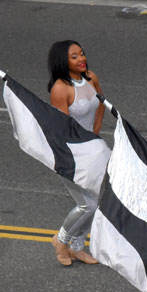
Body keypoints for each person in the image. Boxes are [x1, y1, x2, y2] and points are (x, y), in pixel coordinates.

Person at [47, 39, 107, 266]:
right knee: (87, 204)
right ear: (63, 61)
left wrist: (96, 133)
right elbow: (61, 129)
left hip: (93, 150)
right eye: (74, 56)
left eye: (82, 53)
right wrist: (81, 148)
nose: (81, 58)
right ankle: (61, 241)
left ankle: (77, 247)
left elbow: (101, 104)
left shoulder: (91, 78)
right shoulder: (60, 89)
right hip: (70, 155)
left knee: (97, 201)